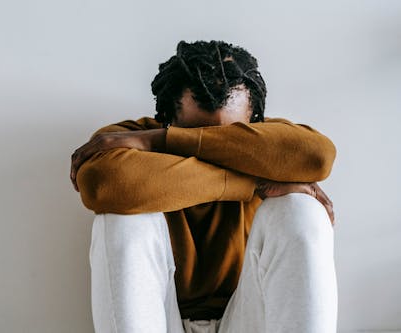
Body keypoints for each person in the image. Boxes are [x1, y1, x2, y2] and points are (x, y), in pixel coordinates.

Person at [71, 40, 337, 333]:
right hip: (160, 318)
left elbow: (318, 156)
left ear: (254, 124)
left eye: (230, 136)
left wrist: (168, 142)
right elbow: (103, 185)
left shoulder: (269, 145)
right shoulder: (126, 139)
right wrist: (253, 180)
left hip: (248, 315)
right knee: (119, 218)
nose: (211, 142)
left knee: (301, 209)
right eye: (194, 132)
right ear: (168, 119)